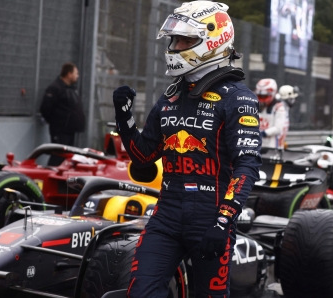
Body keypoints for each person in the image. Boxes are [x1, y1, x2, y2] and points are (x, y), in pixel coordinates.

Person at [112, 2, 261, 297]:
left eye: (184, 40)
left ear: (213, 40)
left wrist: (223, 220)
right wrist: (125, 120)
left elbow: (248, 166)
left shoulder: (239, 99)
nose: (174, 47)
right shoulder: (171, 96)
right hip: (166, 214)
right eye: (174, 40)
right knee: (140, 292)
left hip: (211, 216)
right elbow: (144, 157)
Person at [40, 62, 86, 165]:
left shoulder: (71, 89)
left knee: (67, 157)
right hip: (60, 130)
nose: (77, 76)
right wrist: (56, 122)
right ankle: (49, 175)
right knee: (58, 156)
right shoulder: (55, 88)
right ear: (69, 74)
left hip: (70, 130)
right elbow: (45, 108)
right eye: (76, 73)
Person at [256, 78, 287, 149]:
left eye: (264, 96)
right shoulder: (255, 104)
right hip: (256, 144)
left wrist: (263, 133)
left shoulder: (279, 107)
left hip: (272, 146)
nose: (261, 98)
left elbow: (278, 128)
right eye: (260, 95)